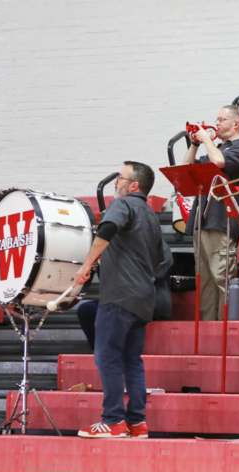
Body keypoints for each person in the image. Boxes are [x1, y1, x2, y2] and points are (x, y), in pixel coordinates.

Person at [75, 161, 164, 439]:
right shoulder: (150, 216)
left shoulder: (122, 205)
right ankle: (137, 423)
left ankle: (112, 420)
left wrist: (87, 264)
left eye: (120, 177)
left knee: (108, 358)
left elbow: (108, 228)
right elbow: (162, 259)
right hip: (143, 298)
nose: (117, 182)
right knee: (131, 360)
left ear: (133, 185)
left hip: (119, 295)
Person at [183, 105, 239, 320]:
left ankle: (227, 328)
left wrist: (207, 141)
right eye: (217, 119)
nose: (217, 123)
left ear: (236, 124)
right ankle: (207, 329)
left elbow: (220, 162)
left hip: (222, 223)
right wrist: (194, 145)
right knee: (205, 283)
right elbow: (185, 169)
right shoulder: (217, 148)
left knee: (222, 279)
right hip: (201, 221)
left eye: (222, 119)